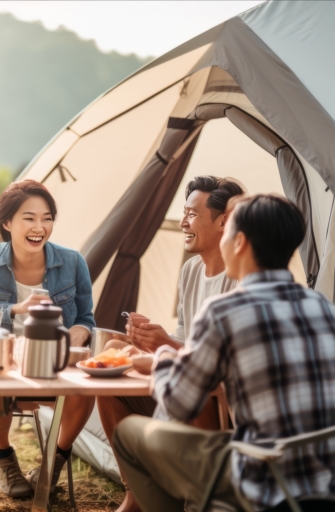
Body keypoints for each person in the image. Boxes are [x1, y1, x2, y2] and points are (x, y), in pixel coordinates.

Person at [114, 195, 335, 512]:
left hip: (270, 482)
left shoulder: (224, 311)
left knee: (129, 434)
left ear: (240, 243)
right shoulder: (324, 307)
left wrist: (163, 360)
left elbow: (179, 403)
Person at [97, 175, 245, 512]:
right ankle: (135, 495)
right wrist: (153, 340)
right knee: (112, 390)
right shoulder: (192, 269)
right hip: (192, 382)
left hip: (222, 404)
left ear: (223, 222)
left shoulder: (242, 282)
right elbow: (186, 337)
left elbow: (220, 369)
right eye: (183, 212)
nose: (184, 222)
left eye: (192, 214)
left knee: (195, 398)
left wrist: (165, 347)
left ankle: (199, 497)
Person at [0, 180, 95, 497]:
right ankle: (4, 458)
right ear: (7, 222)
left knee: (86, 390)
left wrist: (81, 331)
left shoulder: (72, 261)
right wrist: (16, 309)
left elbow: (86, 318)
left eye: (47, 217)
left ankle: (54, 461)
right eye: (30, 218)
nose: (40, 227)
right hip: (7, 367)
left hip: (54, 368)